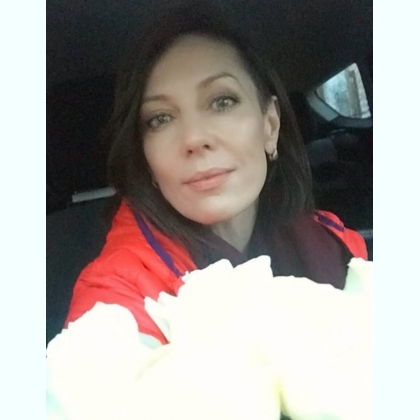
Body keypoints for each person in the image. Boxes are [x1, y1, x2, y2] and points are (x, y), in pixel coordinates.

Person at [64, 2, 367, 347]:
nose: (194, 138)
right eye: (160, 119)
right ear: (147, 160)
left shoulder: (336, 243)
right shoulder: (114, 304)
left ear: (270, 125)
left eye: (222, 102)